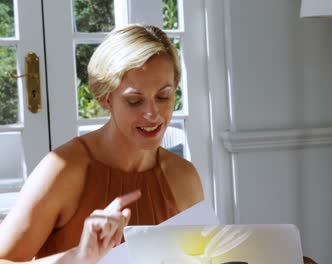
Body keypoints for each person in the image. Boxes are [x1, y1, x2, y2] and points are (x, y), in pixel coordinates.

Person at [0, 24, 204, 263]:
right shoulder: (62, 170)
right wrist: (78, 257)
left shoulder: (183, 177)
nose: (153, 114)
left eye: (163, 96)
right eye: (134, 101)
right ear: (106, 97)